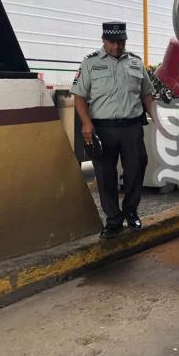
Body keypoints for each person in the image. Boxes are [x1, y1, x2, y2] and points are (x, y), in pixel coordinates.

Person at [71, 21, 157, 238]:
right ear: (103, 40)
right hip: (103, 128)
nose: (117, 46)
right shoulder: (90, 64)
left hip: (132, 127)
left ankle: (131, 212)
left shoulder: (136, 64)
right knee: (105, 175)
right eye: (112, 42)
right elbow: (79, 96)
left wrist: (157, 119)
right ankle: (113, 220)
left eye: (121, 42)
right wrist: (87, 124)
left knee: (135, 171)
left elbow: (147, 94)